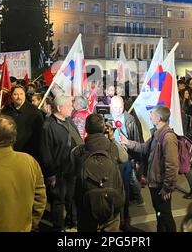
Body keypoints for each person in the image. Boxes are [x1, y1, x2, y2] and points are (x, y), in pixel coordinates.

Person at [121, 105, 179, 232]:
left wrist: (167, 188)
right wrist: (128, 142)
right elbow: (144, 148)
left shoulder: (168, 137)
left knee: (165, 215)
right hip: (154, 183)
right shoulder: (156, 133)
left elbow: (172, 165)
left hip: (161, 186)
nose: (150, 116)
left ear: (158, 118)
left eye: (151, 114)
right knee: (159, 213)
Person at [72, 114, 127, 232]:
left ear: (86, 129)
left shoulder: (78, 151)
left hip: (87, 208)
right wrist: (112, 138)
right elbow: (125, 157)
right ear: (104, 129)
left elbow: (72, 170)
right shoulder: (113, 148)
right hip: (111, 207)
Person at [39, 95, 84, 231]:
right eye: (69, 105)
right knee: (58, 201)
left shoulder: (69, 120)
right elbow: (45, 152)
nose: (72, 107)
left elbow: (79, 141)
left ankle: (72, 221)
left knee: (72, 198)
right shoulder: (48, 126)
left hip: (72, 169)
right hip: (58, 172)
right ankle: (58, 227)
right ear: (59, 108)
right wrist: (51, 174)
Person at [110, 95, 144, 231]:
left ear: (124, 106)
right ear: (110, 107)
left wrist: (137, 160)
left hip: (126, 160)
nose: (118, 110)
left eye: (120, 107)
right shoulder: (105, 118)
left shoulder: (130, 119)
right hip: (111, 160)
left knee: (125, 189)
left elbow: (136, 139)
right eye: (115, 107)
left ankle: (125, 219)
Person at [2, 85, 44, 157]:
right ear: (11, 96)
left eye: (21, 94)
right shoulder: (6, 110)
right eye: (16, 94)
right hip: (9, 150)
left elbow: (39, 135)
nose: (19, 97)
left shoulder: (34, 111)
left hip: (28, 152)